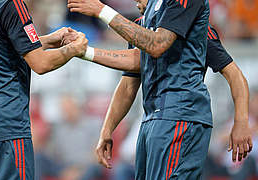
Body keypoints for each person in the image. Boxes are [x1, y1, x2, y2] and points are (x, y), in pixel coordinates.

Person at [66, 0, 253, 178]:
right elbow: (129, 79)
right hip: (152, 120)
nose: (135, 3)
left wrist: (241, 122)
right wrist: (107, 129)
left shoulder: (188, 18)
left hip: (180, 115)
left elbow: (234, 75)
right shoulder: (142, 27)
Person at [0, 0, 87, 179]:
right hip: (5, 126)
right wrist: (74, 49)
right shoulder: (11, 4)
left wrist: (48, 40)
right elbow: (41, 63)